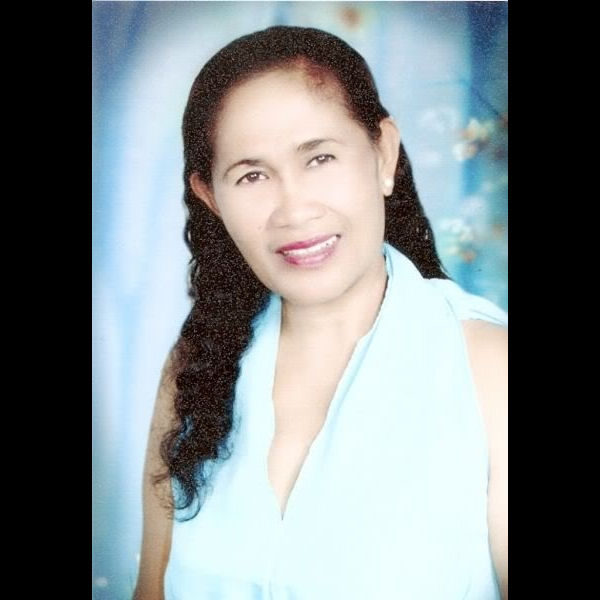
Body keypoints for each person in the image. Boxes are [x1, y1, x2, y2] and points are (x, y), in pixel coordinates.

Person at [133, 25, 508, 600]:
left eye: (320, 157)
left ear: (383, 153)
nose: (294, 210)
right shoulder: (196, 368)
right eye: (252, 175)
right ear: (210, 197)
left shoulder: (489, 371)